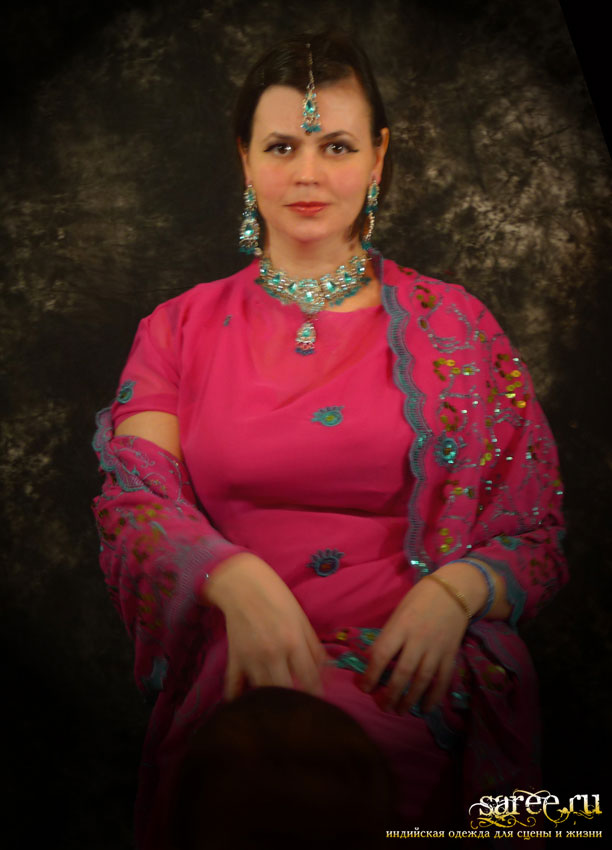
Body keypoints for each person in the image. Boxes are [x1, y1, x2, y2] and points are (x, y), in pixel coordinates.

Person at [92, 31, 567, 848]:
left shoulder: (458, 328)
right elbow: (137, 504)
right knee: (257, 783)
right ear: (245, 160)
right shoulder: (177, 329)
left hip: (410, 676)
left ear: (378, 158)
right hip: (245, 674)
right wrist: (233, 579)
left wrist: (457, 594)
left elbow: (536, 533)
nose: (307, 173)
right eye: (282, 146)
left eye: (336, 146)